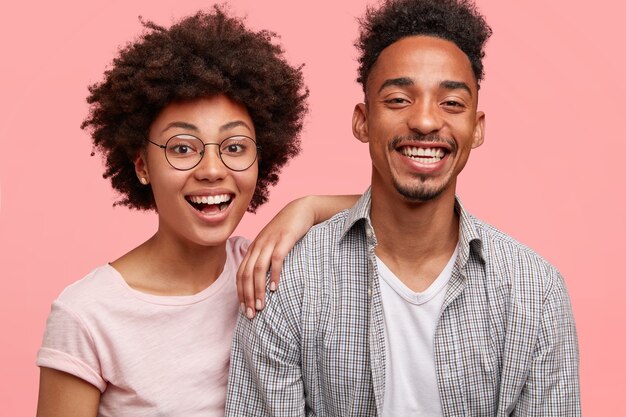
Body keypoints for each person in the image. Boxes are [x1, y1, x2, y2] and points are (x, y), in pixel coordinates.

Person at [226, 0, 581, 415]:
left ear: (477, 129)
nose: (426, 122)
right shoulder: (289, 282)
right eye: (398, 99)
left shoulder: (535, 293)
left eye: (451, 103)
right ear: (362, 120)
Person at [35, 6, 355, 417]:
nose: (212, 170)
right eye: (182, 148)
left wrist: (307, 208)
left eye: (235, 147)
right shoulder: (87, 314)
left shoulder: (268, 268)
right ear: (142, 166)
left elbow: (403, 214)